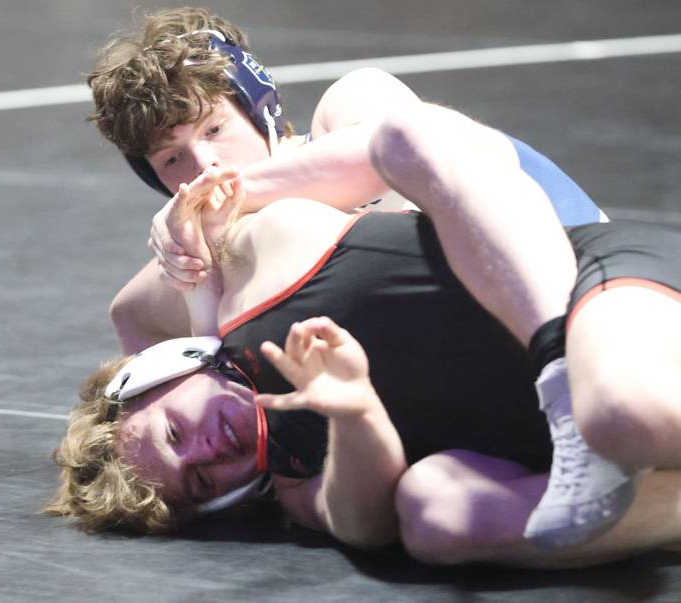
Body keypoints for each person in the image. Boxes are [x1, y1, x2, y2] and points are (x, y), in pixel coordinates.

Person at [45, 108, 681, 567]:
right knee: (435, 519)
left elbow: (413, 140)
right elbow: (364, 526)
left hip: (606, 298)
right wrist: (353, 411)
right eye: (202, 484)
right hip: (577, 440)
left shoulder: (244, 259)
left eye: (176, 434)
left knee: (617, 416)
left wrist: (207, 218)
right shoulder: (297, 479)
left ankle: (560, 370)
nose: (209, 452)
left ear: (162, 372)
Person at [87, 7, 606, 355]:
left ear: (261, 108)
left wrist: (214, 213)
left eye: (215, 128)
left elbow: (392, 147)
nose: (204, 165)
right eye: (172, 159)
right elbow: (131, 316)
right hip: (503, 352)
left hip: (589, 281)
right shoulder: (216, 239)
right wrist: (194, 272)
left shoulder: (351, 104)